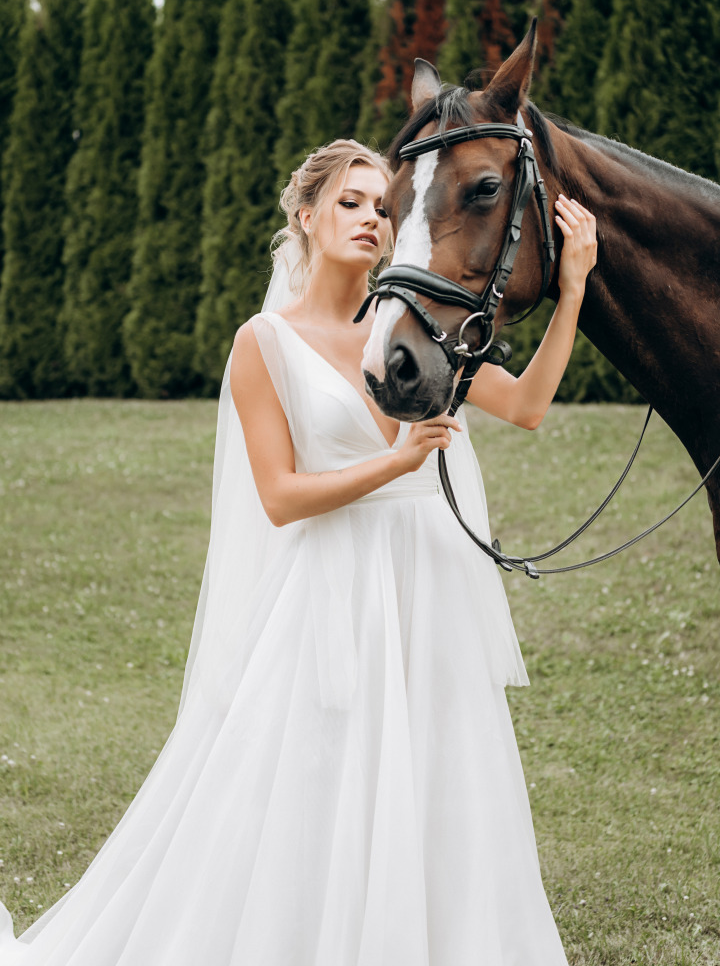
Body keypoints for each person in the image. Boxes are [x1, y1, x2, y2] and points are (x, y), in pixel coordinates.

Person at [0, 138, 596, 965]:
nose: (370, 220)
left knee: (444, 773)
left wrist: (570, 292)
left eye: (383, 209)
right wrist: (395, 461)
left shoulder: (421, 329)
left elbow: (528, 405)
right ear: (306, 218)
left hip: (431, 583)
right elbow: (279, 496)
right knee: (323, 783)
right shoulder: (265, 343)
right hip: (334, 592)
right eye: (351, 203)